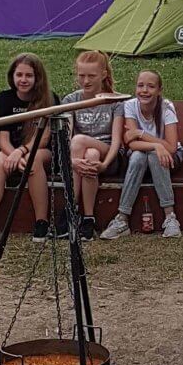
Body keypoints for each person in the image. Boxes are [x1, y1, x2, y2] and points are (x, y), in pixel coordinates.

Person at [0, 53, 55, 244]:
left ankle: (41, 222)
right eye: (19, 75)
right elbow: (3, 139)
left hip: (41, 152)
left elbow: (44, 137)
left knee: (33, 161)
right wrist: (13, 154)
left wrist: (22, 152)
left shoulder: (48, 98)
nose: (23, 80)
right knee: (0, 160)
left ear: (38, 77)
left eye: (29, 75)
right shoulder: (4, 99)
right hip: (12, 152)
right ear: (12, 76)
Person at [100, 69, 183, 239]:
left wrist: (141, 134)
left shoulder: (166, 107)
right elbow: (131, 143)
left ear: (159, 90)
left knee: (153, 155)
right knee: (139, 154)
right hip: (139, 160)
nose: (144, 90)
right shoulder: (130, 105)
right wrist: (155, 145)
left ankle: (170, 217)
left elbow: (172, 147)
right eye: (140, 86)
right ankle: (122, 219)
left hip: (168, 159)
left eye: (151, 86)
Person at [62, 51, 121, 239]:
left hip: (109, 156)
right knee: (90, 155)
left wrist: (104, 164)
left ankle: (70, 208)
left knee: (80, 141)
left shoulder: (115, 100)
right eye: (81, 75)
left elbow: (117, 141)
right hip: (83, 157)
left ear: (103, 74)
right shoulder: (71, 100)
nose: (85, 81)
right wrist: (73, 162)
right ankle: (88, 218)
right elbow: (66, 136)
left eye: (91, 76)